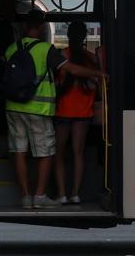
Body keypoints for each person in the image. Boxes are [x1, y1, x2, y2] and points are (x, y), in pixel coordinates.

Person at [5, 10, 106, 209]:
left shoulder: (11, 49)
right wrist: (99, 74)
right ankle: (41, 196)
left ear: (25, 26)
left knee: (19, 151)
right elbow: (72, 69)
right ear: (42, 27)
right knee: (47, 152)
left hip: (14, 108)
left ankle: (26, 197)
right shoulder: (46, 49)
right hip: (39, 109)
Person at [54, 21, 101, 205]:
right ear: (84, 37)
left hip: (63, 110)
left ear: (68, 35)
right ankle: (75, 194)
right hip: (83, 112)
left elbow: (56, 82)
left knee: (59, 153)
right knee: (78, 153)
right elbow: (96, 85)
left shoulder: (62, 55)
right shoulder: (91, 59)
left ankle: (61, 194)